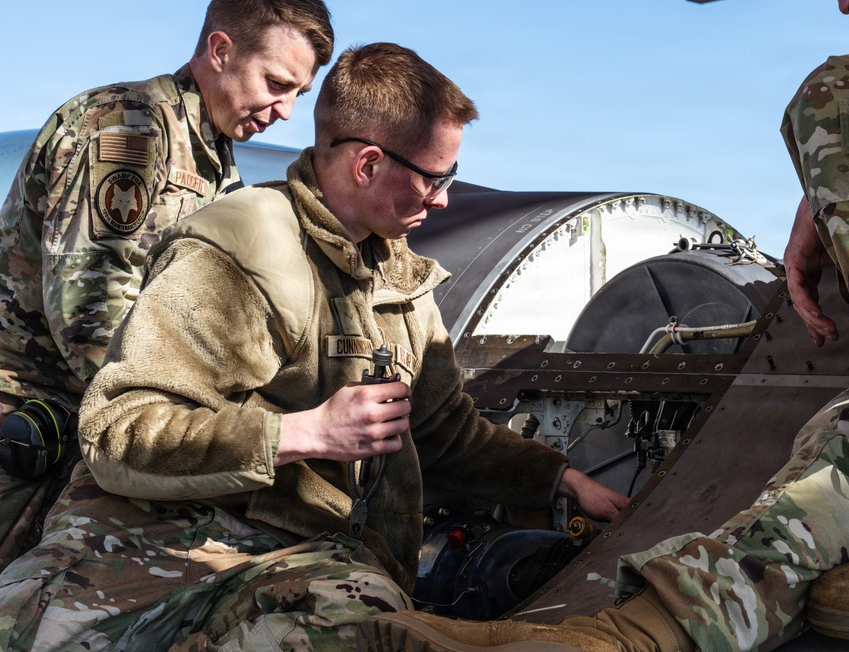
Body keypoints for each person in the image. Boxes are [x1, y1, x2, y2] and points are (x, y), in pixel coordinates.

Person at [356, 0, 849, 650]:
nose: (844, 1)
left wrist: (840, 158)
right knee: (836, 475)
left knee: (848, 98)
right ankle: (623, 635)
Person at [0, 42, 627, 651]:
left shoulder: (399, 282)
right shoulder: (240, 250)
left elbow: (442, 433)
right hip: (154, 548)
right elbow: (121, 428)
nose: (442, 198)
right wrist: (303, 434)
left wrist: (560, 479)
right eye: (434, 178)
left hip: (301, 562)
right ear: (369, 165)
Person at [0, 0, 333, 574]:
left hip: (105, 422)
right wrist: (202, 422)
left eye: (299, 94)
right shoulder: (127, 134)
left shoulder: (212, 153)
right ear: (221, 50)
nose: (286, 110)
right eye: (277, 84)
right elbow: (89, 316)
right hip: (32, 422)